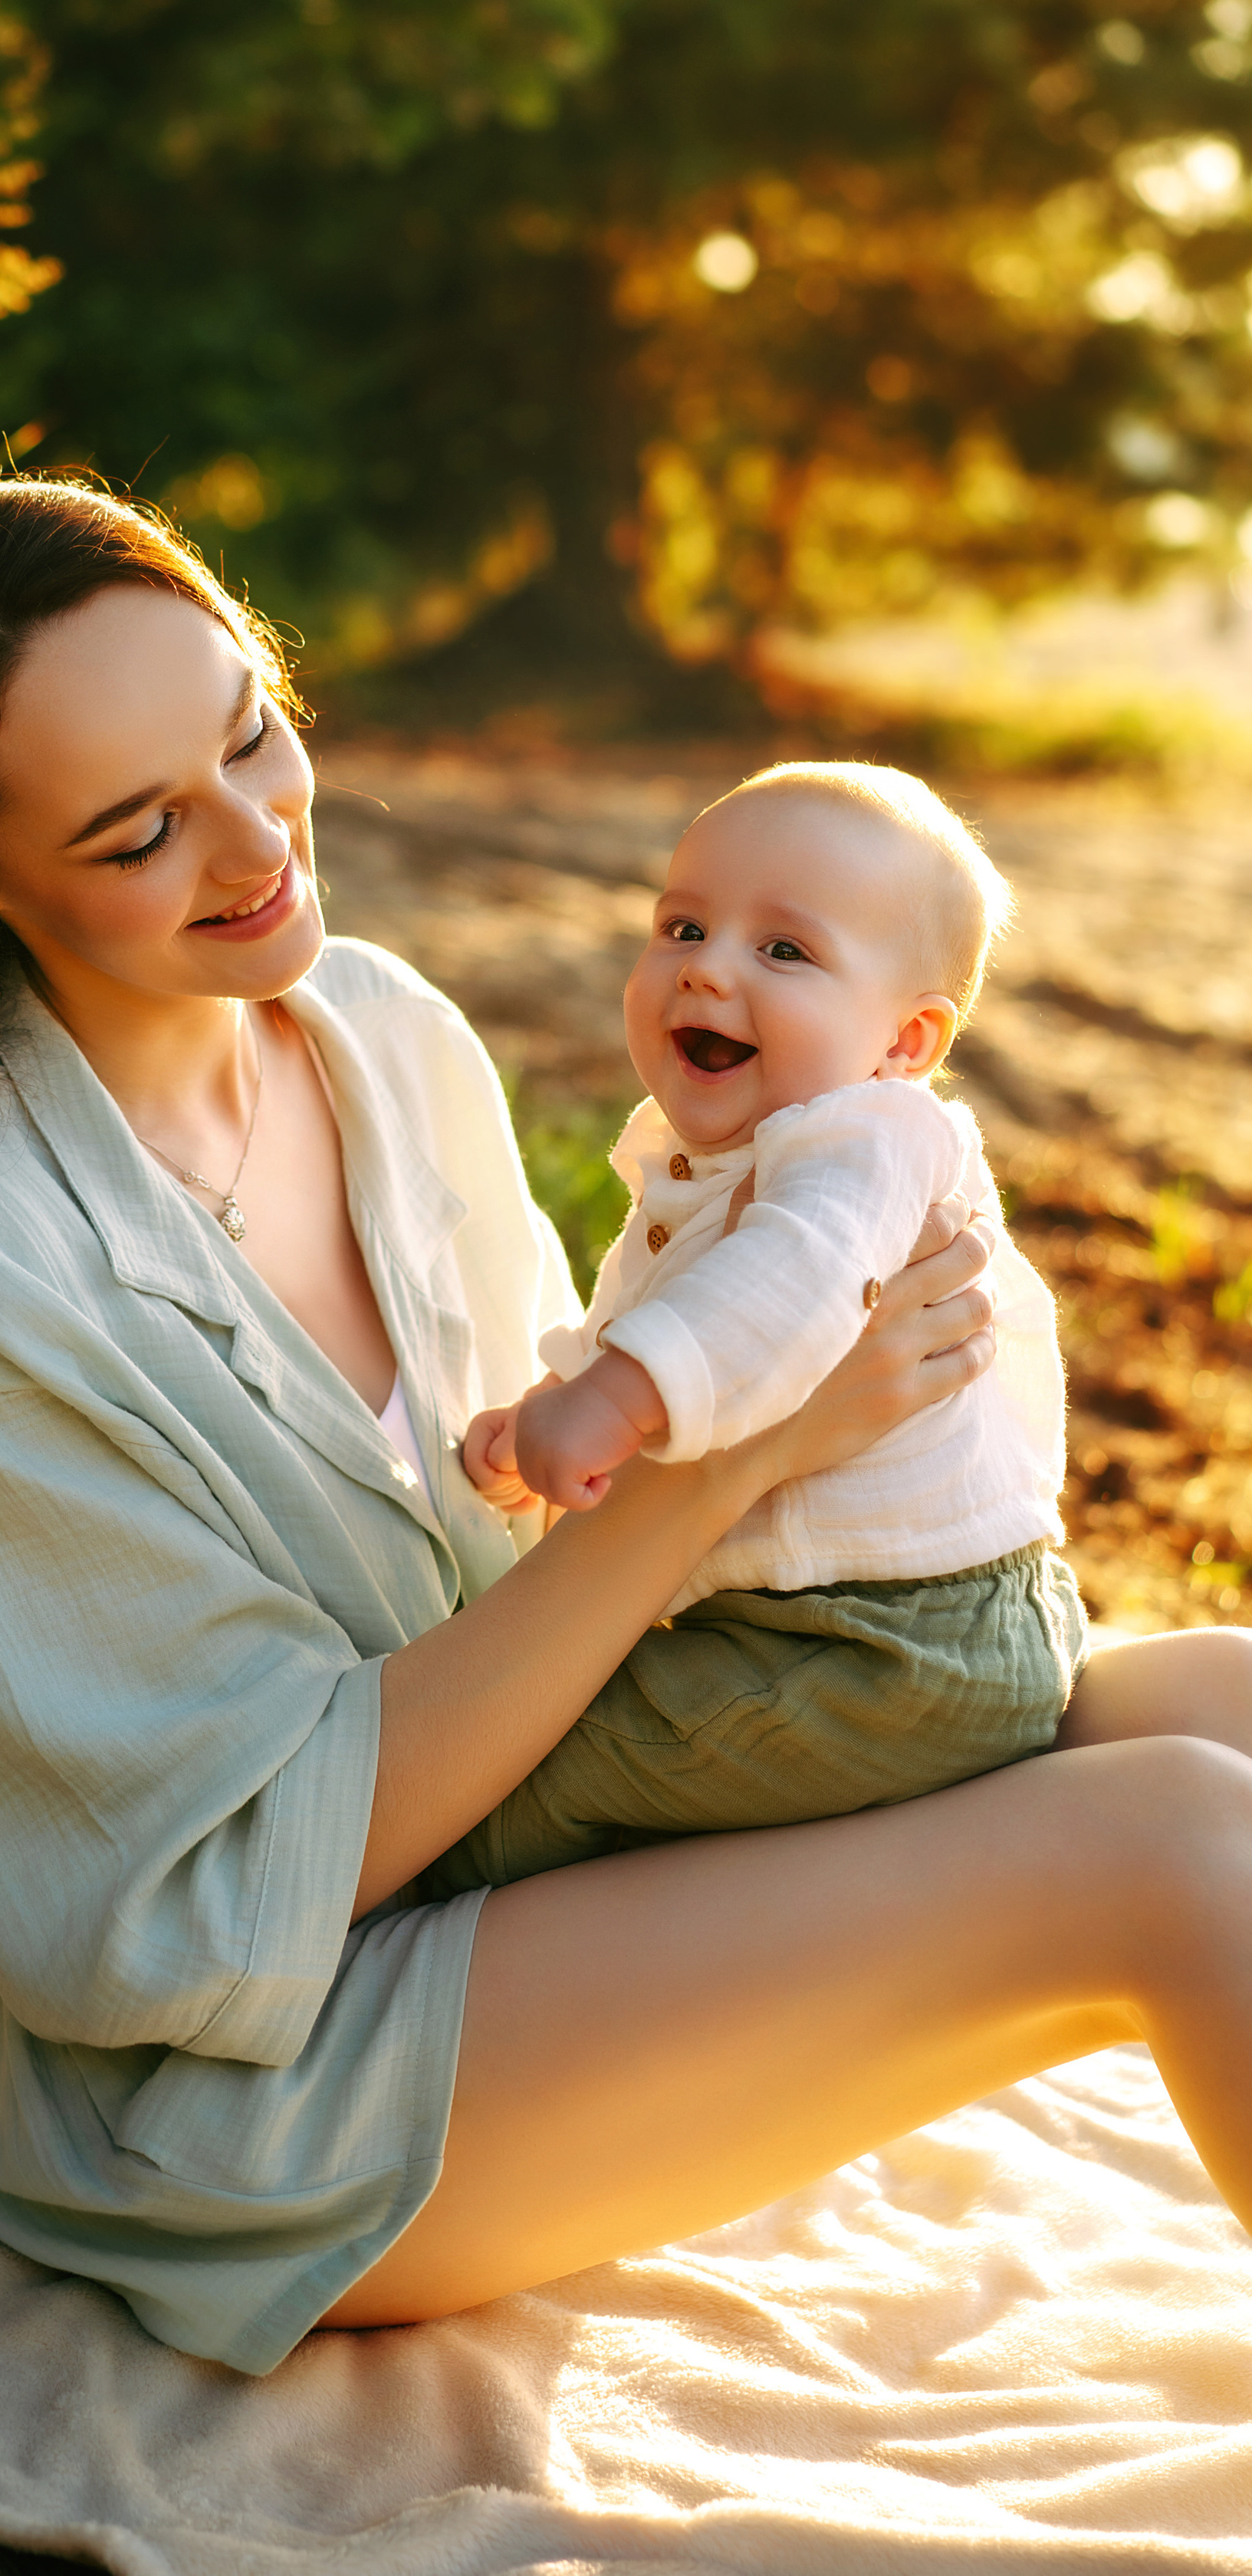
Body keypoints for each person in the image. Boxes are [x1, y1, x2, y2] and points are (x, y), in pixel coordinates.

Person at [0, 472, 1252, 2380]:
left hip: (527, 1836)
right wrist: (734, 1468)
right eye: (143, 829)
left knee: (1218, 1701)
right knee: (1167, 1844)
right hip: (256, 2073)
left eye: (250, 730)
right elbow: (233, 1895)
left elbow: (528, 1527)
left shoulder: (379, 1029)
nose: (256, 841)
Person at [438, 763, 1083, 1888]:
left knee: (552, 1769)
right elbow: (692, 1307)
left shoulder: (869, 1139)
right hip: (849, 1634)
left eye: (783, 951)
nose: (708, 968)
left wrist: (612, 1405)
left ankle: (427, 1882)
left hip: (889, 1642)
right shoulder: (746, 1152)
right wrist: (558, 1405)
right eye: (683, 926)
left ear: (906, 1043)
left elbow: (790, 1288)